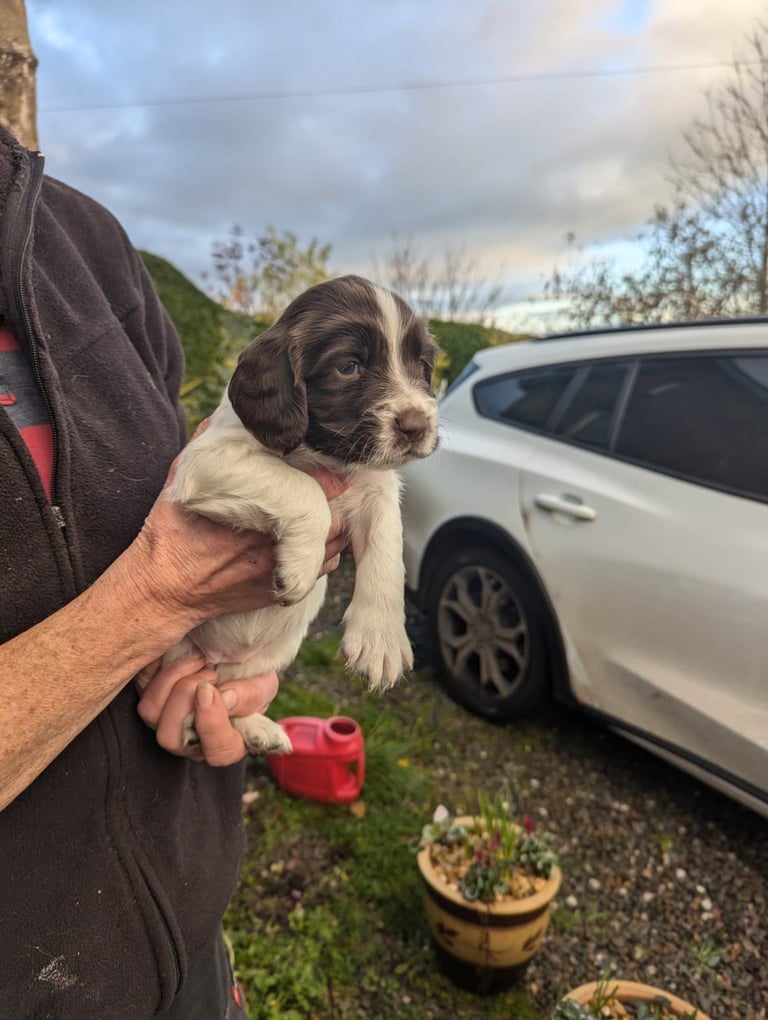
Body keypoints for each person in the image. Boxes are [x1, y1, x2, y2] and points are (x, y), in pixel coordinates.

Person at [0, 122, 347, 1019]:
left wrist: (210, 681)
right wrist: (153, 600)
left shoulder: (81, 240)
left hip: (187, 933)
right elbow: (169, 564)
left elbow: (195, 463)